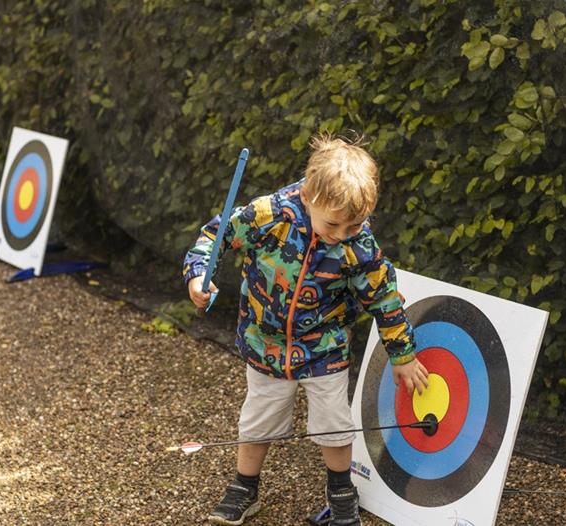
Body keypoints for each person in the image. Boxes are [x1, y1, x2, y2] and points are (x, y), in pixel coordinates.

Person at [183, 133, 429, 526]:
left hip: (324, 347)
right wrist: (199, 276)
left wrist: (402, 355)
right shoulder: (267, 215)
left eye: (356, 224)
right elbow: (216, 236)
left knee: (334, 424)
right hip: (264, 344)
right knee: (258, 420)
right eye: (335, 223)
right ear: (310, 195)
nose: (343, 234)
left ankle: (341, 492)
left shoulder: (359, 245)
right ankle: (245, 488)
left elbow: (384, 298)